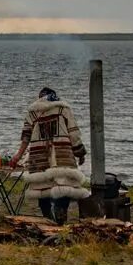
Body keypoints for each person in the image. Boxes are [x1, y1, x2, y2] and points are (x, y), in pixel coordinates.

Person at [15, 87, 89, 224]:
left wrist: (17, 156)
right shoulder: (63, 109)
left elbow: (25, 137)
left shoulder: (32, 112)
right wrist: (80, 153)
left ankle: (48, 218)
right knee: (64, 186)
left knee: (43, 188)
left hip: (39, 157)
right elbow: (74, 134)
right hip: (62, 155)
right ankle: (60, 215)